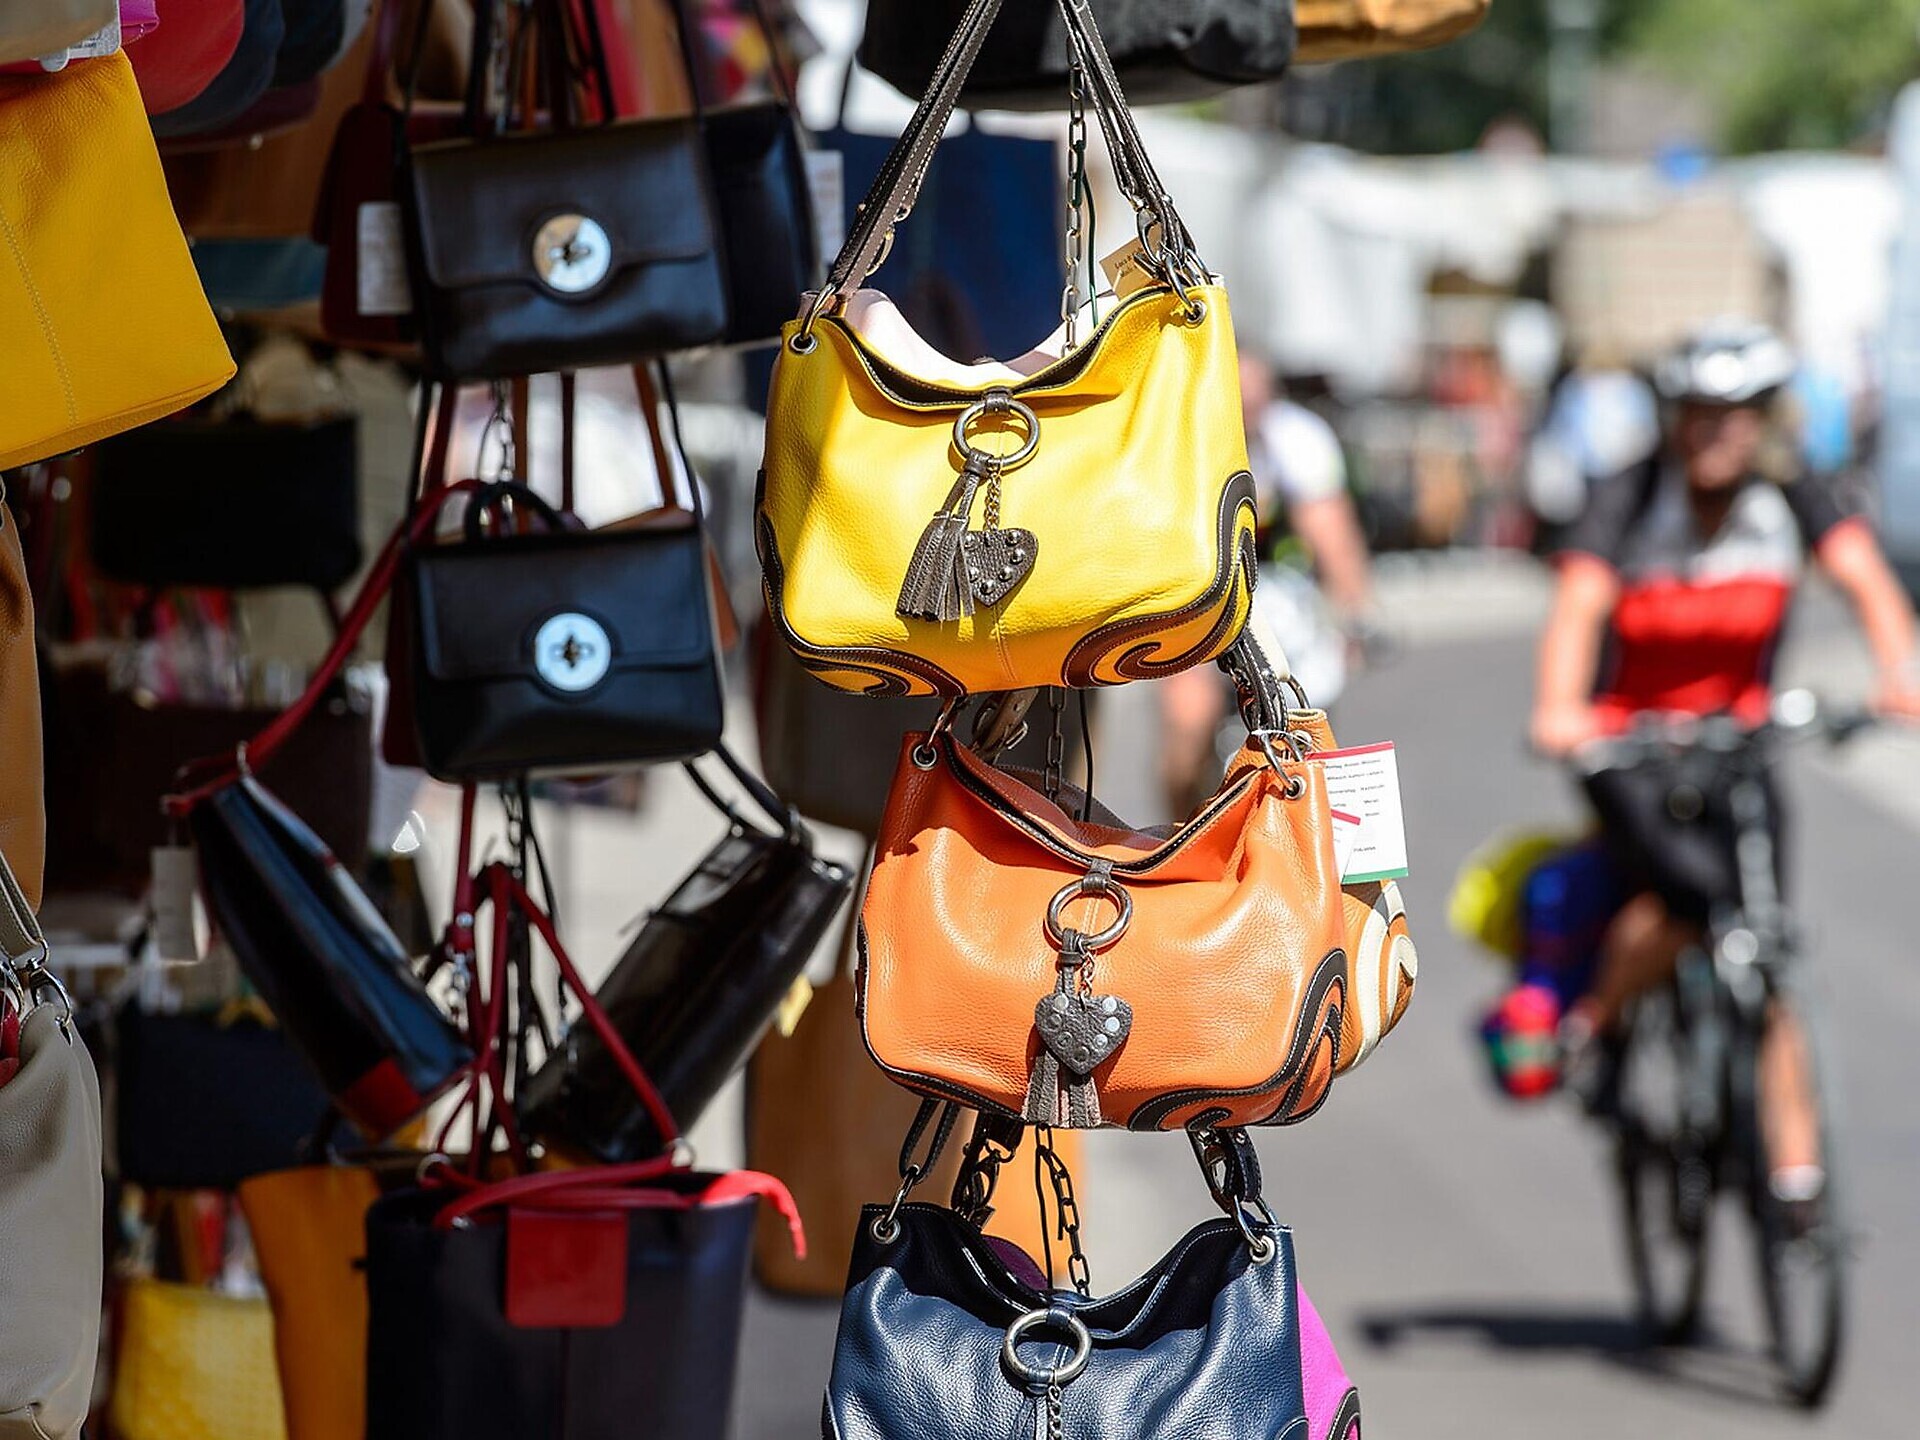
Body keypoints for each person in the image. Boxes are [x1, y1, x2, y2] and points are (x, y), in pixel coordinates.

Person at [1528, 321, 1920, 1209]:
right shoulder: (1628, 497)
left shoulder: (1791, 495)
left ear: (1762, 421)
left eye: (1737, 415)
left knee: (1766, 938)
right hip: (1626, 746)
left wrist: (1900, 674)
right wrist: (1560, 708)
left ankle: (1795, 1172)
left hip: (1739, 740)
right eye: (1700, 413)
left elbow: (1868, 582)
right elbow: (1578, 607)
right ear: (1676, 418)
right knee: (1692, 904)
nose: (1717, 432)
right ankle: (1595, 1021)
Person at [1160, 351, 1375, 814]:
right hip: (1194, 599)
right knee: (1188, 719)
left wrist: (1355, 617)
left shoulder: (1297, 439)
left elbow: (1333, 537)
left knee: (1308, 720)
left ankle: (1300, 847)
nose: (1249, 416)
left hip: (1281, 600)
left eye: (1258, 403)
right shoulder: (1178, 440)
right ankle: (1181, 830)